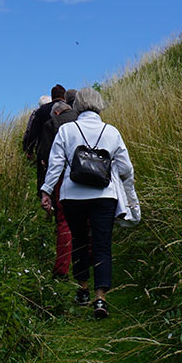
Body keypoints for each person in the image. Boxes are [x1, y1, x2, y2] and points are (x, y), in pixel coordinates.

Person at [39, 88, 140, 318]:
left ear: (77, 106)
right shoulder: (111, 132)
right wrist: (128, 191)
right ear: (99, 105)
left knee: (79, 242)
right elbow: (126, 168)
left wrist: (46, 191)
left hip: (72, 196)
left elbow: (55, 165)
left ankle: (82, 290)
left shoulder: (67, 130)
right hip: (105, 195)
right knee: (102, 244)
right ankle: (100, 299)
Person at [45, 89, 79, 278]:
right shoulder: (81, 120)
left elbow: (48, 157)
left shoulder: (53, 124)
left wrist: (46, 188)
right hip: (89, 176)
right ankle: (88, 261)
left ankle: (62, 269)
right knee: (87, 220)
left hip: (63, 179)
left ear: (56, 112)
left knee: (64, 221)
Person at [21, 84, 66, 186]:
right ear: (64, 96)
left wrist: (29, 149)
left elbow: (33, 131)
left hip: (45, 150)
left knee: (43, 180)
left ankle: (43, 193)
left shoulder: (41, 110)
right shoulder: (70, 110)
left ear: (52, 96)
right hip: (65, 150)